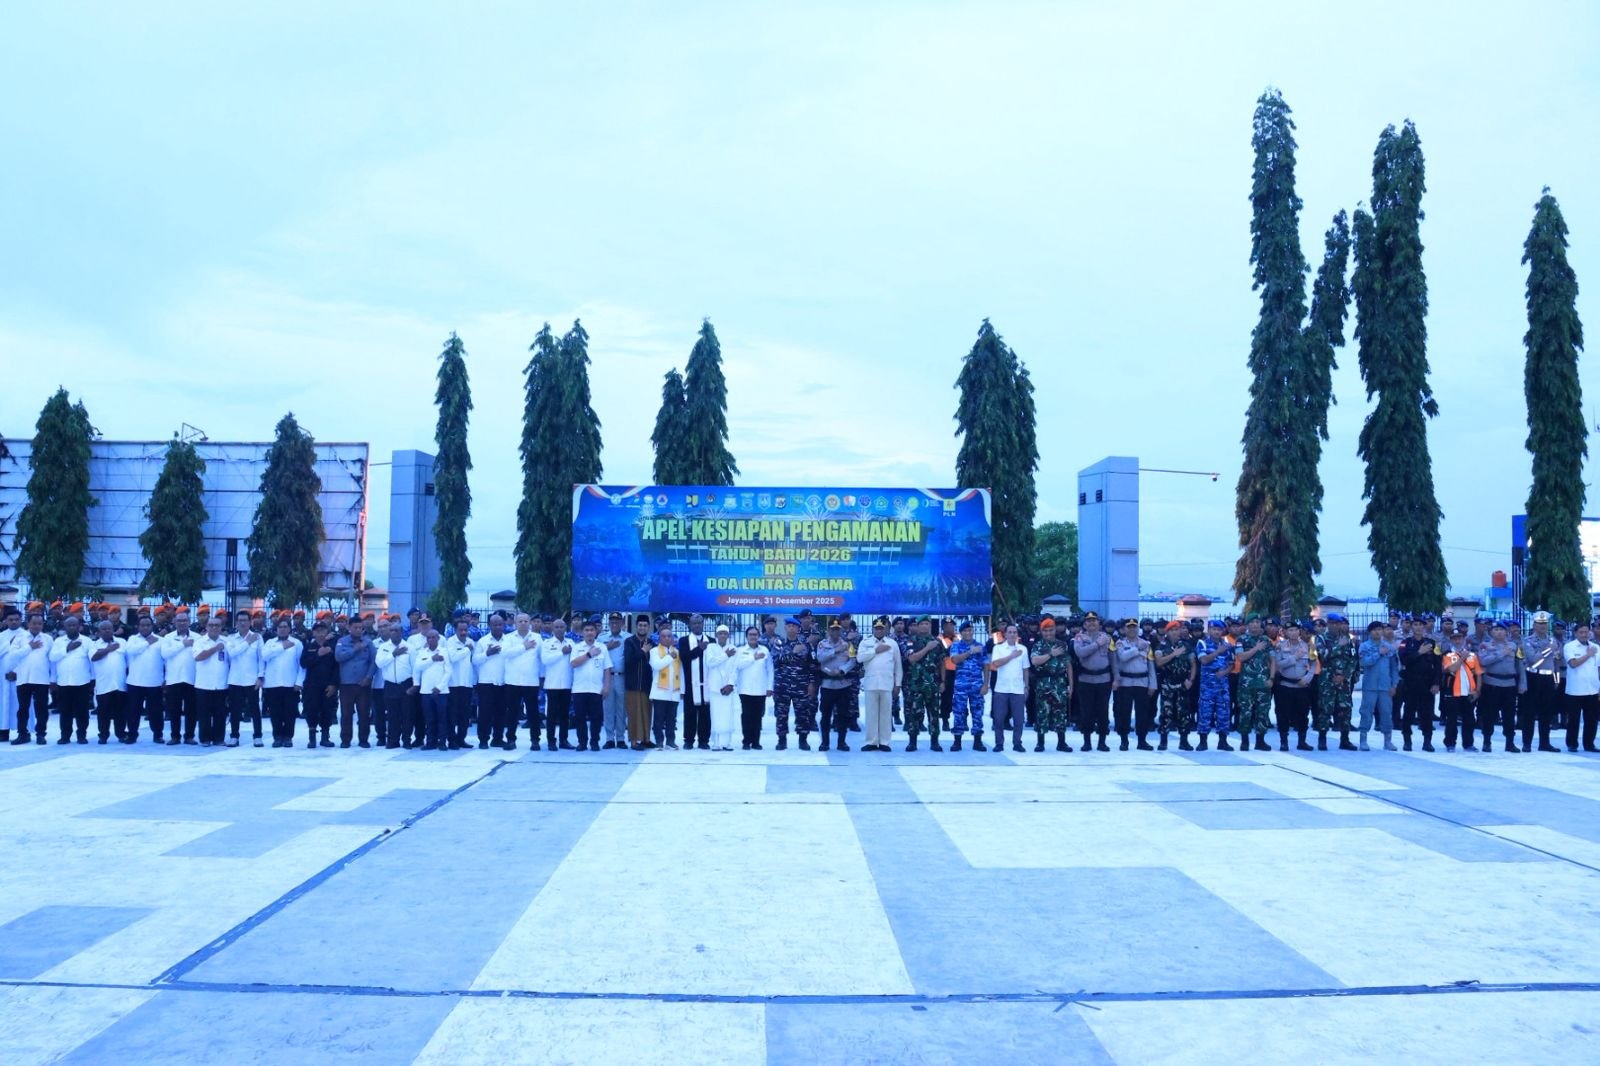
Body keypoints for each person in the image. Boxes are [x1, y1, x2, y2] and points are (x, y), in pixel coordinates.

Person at [856, 618, 903, 752]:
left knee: (886, 714)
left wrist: (898, 684)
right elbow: (859, 658)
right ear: (873, 629)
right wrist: (876, 650)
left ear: (885, 629)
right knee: (871, 714)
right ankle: (871, 741)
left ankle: (884, 742)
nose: (879, 631)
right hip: (871, 683)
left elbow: (898, 666)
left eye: (881, 628)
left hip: (887, 683)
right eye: (876, 628)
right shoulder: (866, 642)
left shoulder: (892, 644)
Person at [1314, 614, 1360, 751]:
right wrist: (1338, 646)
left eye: (1338, 623)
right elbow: (1323, 655)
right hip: (1327, 679)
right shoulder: (1321, 638)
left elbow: (1353, 660)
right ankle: (1322, 739)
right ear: (1328, 624)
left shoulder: (1347, 639)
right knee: (1325, 708)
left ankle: (1345, 739)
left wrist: (1345, 676)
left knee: (1345, 709)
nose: (1336, 626)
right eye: (1333, 623)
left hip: (1344, 681)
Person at [1475, 622, 1523, 752]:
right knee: (1489, 714)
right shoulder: (1485, 645)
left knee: (1509, 715)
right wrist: (1501, 653)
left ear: (1506, 632)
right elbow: (1483, 661)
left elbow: (1519, 665)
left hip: (1509, 684)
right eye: (1496, 629)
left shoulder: (1513, 646)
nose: (1499, 632)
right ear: (1491, 632)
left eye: (1502, 629)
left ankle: (1510, 742)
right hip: (1492, 683)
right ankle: (1487, 741)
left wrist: (1522, 683)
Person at [1397, 616, 1442, 753]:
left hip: (1427, 684)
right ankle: (1407, 740)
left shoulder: (1432, 643)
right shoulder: (1405, 643)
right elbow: (1404, 660)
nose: (1418, 627)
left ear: (1424, 627)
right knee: (1408, 713)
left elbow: (1438, 665)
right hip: (1410, 682)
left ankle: (1427, 741)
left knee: (1427, 714)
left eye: (1421, 625)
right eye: (1415, 624)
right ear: (1411, 627)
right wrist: (1419, 652)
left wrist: (1436, 683)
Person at [771, 618, 818, 750]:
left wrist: (811, 683)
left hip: (801, 685)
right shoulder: (778, 644)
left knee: (803, 713)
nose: (791, 628)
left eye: (794, 626)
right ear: (785, 628)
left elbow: (812, 666)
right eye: (789, 626)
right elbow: (776, 661)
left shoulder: (806, 645)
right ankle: (782, 740)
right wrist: (793, 652)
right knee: (781, 714)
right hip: (782, 686)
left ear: (798, 629)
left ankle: (803, 740)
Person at [48, 612, 94, 744]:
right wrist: (67, 649)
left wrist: (93, 678)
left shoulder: (87, 641)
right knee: (65, 711)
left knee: (82, 711)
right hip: (64, 682)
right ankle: (65, 736)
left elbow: (92, 661)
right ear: (65, 627)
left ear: (79, 626)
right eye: (69, 625)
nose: (72, 627)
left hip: (82, 682)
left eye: (74, 625)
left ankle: (82, 735)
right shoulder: (59, 641)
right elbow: (52, 658)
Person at [1111, 618, 1156, 751]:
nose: (1131, 629)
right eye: (1129, 627)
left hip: (1142, 682)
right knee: (1124, 712)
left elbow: (1151, 665)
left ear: (1138, 629)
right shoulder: (1120, 643)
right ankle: (1124, 740)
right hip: (1125, 682)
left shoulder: (1146, 644)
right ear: (1124, 629)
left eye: (1134, 627)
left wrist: (1152, 684)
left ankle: (1142, 740)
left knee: (1143, 713)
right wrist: (1137, 649)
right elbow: (1122, 657)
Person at [904, 616, 948, 752]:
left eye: (926, 623)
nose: (924, 626)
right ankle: (912, 742)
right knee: (914, 713)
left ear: (930, 625)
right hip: (915, 684)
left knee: (934, 713)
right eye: (921, 623)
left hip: (933, 684)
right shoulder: (911, 641)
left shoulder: (938, 642)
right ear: (917, 626)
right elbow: (912, 659)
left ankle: (935, 741)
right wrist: (927, 648)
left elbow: (942, 663)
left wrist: (943, 681)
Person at [1271, 620, 1316, 752]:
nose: (1294, 633)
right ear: (1285, 632)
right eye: (1290, 630)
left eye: (1296, 630)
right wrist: (1294, 658)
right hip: (1285, 685)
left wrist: (1307, 678)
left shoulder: (1309, 646)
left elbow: (1314, 664)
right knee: (1283, 714)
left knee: (1303, 715)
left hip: (1302, 686)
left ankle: (1302, 741)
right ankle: (1283, 741)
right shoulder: (1280, 646)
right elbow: (1277, 665)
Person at [1071, 612, 1113, 752]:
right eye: (1088, 621)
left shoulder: (1107, 638)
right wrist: (1097, 644)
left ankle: (1102, 742)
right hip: (1086, 680)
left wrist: (1116, 677)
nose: (1091, 623)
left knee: (1103, 711)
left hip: (1103, 679)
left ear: (1099, 623)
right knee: (1086, 712)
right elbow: (1080, 653)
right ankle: (1087, 741)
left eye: (1094, 620)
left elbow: (1113, 658)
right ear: (1084, 624)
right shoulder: (1079, 637)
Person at [1521, 612, 1561, 752]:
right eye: (1540, 623)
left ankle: (1544, 743)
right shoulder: (1528, 641)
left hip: (1548, 678)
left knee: (1547, 712)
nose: (1543, 626)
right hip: (1533, 676)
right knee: (1529, 711)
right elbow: (1533, 660)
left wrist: (1556, 679)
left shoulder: (1553, 640)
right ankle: (1527, 743)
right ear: (1534, 625)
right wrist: (1548, 650)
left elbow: (1556, 661)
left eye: (1544, 623)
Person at [1154, 621, 1196, 750]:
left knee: (1184, 712)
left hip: (1183, 683)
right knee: (1166, 712)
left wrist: (1191, 680)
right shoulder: (1162, 646)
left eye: (1176, 630)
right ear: (1167, 632)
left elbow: (1193, 664)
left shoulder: (1186, 646)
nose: (1174, 632)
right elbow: (1158, 662)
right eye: (1171, 630)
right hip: (1167, 683)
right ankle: (1163, 741)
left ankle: (1184, 741)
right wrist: (1173, 654)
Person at [261, 618, 303, 747]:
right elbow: (265, 656)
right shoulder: (270, 643)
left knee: (290, 713)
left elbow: (301, 665)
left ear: (289, 629)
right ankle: (277, 736)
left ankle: (288, 737)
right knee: (275, 712)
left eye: (285, 627)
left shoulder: (296, 643)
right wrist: (282, 647)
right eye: (280, 627)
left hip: (290, 684)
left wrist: (299, 682)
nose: (283, 629)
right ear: (276, 629)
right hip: (272, 683)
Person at [946, 621, 988, 752]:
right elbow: (954, 660)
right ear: (961, 633)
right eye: (965, 631)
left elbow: (986, 665)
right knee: (959, 712)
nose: (968, 633)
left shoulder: (981, 646)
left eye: (970, 630)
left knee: (978, 712)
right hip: (961, 686)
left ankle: (977, 741)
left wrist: (986, 684)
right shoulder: (956, 645)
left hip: (977, 685)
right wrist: (970, 652)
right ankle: (957, 741)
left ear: (973, 631)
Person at [816, 621, 857, 752]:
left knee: (843, 715)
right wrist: (834, 651)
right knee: (825, 715)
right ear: (829, 630)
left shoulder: (848, 645)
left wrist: (842, 670)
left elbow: (852, 661)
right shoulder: (822, 644)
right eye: (833, 629)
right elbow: (819, 658)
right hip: (827, 684)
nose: (835, 632)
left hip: (843, 684)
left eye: (837, 629)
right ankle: (825, 742)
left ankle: (842, 742)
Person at [569, 621, 611, 751]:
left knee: (596, 718)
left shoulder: (602, 647)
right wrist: (589, 654)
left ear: (596, 632)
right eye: (586, 630)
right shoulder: (577, 647)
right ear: (582, 632)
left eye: (592, 630)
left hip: (596, 689)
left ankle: (594, 742)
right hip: (579, 689)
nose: (589, 633)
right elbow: (573, 663)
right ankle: (582, 742)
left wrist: (606, 686)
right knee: (580, 717)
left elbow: (607, 668)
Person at [1195, 620, 1236, 751]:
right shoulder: (1202, 643)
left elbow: (1232, 664)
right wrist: (1218, 652)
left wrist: (1225, 672)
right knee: (1205, 713)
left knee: (1224, 713)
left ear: (1222, 631)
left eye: (1219, 630)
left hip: (1222, 687)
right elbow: (1203, 660)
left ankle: (1223, 741)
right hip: (1207, 686)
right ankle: (1203, 742)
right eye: (1214, 629)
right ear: (1209, 630)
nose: (1216, 632)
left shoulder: (1227, 645)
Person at [159, 610, 199, 745]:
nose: (182, 623)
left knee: (191, 710)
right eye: (179, 620)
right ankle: (175, 736)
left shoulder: (197, 637)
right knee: (174, 710)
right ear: (174, 622)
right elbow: (165, 654)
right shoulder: (168, 637)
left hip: (192, 679)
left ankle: (189, 736)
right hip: (173, 679)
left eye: (185, 620)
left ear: (189, 622)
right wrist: (183, 644)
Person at [503, 613, 542, 750]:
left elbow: (541, 657)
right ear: (515, 623)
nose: (523, 623)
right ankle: (510, 740)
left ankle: (535, 740)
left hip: (531, 681)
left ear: (529, 622)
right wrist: (523, 647)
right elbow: (506, 653)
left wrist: (542, 676)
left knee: (533, 712)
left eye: (526, 621)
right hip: (513, 681)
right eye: (520, 621)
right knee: (512, 712)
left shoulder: (537, 638)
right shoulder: (508, 638)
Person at [1356, 621, 1397, 750]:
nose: (1377, 632)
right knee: (1366, 712)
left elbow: (1394, 668)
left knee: (1386, 713)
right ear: (1369, 632)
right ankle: (1363, 739)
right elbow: (1363, 662)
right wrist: (1378, 653)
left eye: (1379, 629)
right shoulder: (1364, 646)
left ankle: (1388, 740)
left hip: (1385, 687)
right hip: (1370, 686)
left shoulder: (1389, 647)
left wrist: (1394, 684)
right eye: (1374, 630)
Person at [988, 623, 1029, 753]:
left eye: (1014, 632)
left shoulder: (1023, 649)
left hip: (1018, 689)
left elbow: (1025, 669)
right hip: (1001, 688)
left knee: (1019, 719)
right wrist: (1012, 656)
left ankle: (1017, 743)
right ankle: (999, 743)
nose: (1012, 634)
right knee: (999, 719)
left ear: (1017, 634)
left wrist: (1026, 686)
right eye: (1009, 632)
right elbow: (996, 663)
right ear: (1005, 634)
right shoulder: (998, 648)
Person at [190, 615, 230, 747]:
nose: (214, 627)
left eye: (217, 625)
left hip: (221, 684)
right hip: (203, 684)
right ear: (206, 627)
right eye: (211, 625)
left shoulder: (227, 641)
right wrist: (215, 649)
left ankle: (219, 739)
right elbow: (198, 657)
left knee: (220, 714)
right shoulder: (200, 641)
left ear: (221, 627)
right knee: (204, 714)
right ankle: (205, 738)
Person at [1440, 629, 1482, 752]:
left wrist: (1477, 690)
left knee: (1469, 719)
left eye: (1459, 638)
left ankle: (1468, 744)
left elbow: (1478, 673)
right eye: (1455, 638)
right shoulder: (1447, 655)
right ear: (1451, 640)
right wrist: (1462, 658)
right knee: (1452, 720)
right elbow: (1451, 669)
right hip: (1453, 691)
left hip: (1469, 692)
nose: (1457, 640)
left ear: (1463, 639)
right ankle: (1450, 743)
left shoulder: (1472, 655)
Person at [734, 625, 775, 749]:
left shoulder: (765, 650)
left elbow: (770, 670)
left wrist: (770, 687)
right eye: (750, 634)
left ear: (759, 636)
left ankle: (756, 742)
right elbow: (738, 665)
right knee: (746, 716)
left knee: (757, 716)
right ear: (746, 637)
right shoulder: (740, 650)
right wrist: (753, 658)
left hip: (760, 689)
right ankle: (746, 741)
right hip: (745, 689)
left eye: (755, 634)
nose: (753, 637)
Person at [88, 619, 129, 743]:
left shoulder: (122, 642)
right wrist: (108, 649)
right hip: (103, 685)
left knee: (120, 712)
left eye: (109, 628)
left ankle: (121, 734)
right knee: (103, 713)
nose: (107, 631)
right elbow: (94, 657)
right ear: (99, 632)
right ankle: (103, 736)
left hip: (120, 684)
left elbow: (128, 661)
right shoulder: (94, 644)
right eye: (104, 629)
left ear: (113, 630)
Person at [1562, 621, 1600, 753]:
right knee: (1574, 719)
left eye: (1586, 632)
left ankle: (1589, 743)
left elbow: (1598, 668)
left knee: (1592, 719)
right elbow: (1573, 664)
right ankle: (1572, 744)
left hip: (1592, 689)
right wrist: (1588, 654)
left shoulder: (1595, 647)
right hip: (1575, 690)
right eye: (1581, 632)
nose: (1584, 635)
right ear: (1575, 633)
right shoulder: (1570, 646)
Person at [677, 614, 713, 751]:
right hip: (690, 683)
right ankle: (689, 740)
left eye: (699, 623)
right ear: (690, 625)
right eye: (694, 623)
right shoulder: (684, 640)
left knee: (705, 714)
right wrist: (699, 649)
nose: (697, 625)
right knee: (689, 713)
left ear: (703, 624)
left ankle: (704, 740)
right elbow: (684, 657)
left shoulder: (711, 640)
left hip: (707, 683)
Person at [413, 629, 452, 750]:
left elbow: (448, 671)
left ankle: (442, 742)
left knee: (442, 718)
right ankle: (430, 742)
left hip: (441, 691)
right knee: (429, 718)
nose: (431, 640)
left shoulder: (444, 652)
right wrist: (432, 659)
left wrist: (439, 687)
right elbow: (418, 667)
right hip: (426, 690)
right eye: (429, 638)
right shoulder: (422, 653)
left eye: (433, 637)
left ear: (438, 638)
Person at [541, 617, 577, 750]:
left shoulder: (571, 643)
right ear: (552, 628)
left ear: (566, 628)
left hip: (567, 684)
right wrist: (561, 653)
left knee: (564, 715)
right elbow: (545, 660)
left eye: (562, 627)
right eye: (556, 627)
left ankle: (564, 740)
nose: (559, 629)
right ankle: (551, 741)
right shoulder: (547, 643)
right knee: (551, 715)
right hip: (552, 684)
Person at [622, 615, 656, 750]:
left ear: (648, 627)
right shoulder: (629, 642)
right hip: (633, 684)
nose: (642, 628)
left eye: (645, 625)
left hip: (647, 684)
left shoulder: (652, 643)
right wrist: (643, 651)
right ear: (636, 626)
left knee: (647, 712)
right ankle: (634, 741)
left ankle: (646, 739)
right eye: (640, 625)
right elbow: (628, 660)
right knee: (634, 713)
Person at [705, 623, 740, 751]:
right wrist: (726, 655)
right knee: (715, 715)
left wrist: (730, 684)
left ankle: (727, 743)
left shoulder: (733, 648)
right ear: (716, 635)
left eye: (725, 633)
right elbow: (710, 663)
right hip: (715, 687)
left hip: (728, 688)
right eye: (720, 633)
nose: (723, 636)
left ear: (728, 635)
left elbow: (735, 669)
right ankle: (716, 743)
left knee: (728, 715)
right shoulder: (711, 647)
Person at [648, 619, 683, 749]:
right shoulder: (654, 651)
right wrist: (670, 657)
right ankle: (659, 741)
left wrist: (682, 690)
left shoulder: (677, 652)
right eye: (664, 636)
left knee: (671, 719)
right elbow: (657, 665)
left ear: (673, 638)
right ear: (659, 638)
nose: (667, 638)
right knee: (658, 719)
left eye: (669, 636)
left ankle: (670, 741)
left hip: (674, 691)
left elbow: (681, 672)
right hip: (660, 691)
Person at [442, 618, 476, 749]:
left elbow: (473, 661)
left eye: (465, 630)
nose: (463, 632)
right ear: (455, 630)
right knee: (452, 714)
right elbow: (453, 658)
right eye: (461, 630)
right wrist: (467, 649)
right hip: (453, 683)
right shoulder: (450, 642)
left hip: (467, 683)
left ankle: (461, 739)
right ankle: (451, 740)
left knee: (465, 714)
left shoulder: (470, 642)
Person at [599, 612, 628, 749]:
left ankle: (621, 738)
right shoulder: (602, 638)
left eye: (617, 621)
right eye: (612, 622)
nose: (614, 624)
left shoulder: (628, 637)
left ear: (622, 623)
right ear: (609, 623)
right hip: (607, 677)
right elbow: (595, 654)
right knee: (608, 708)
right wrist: (607, 647)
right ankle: (610, 738)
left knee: (621, 709)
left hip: (622, 677)